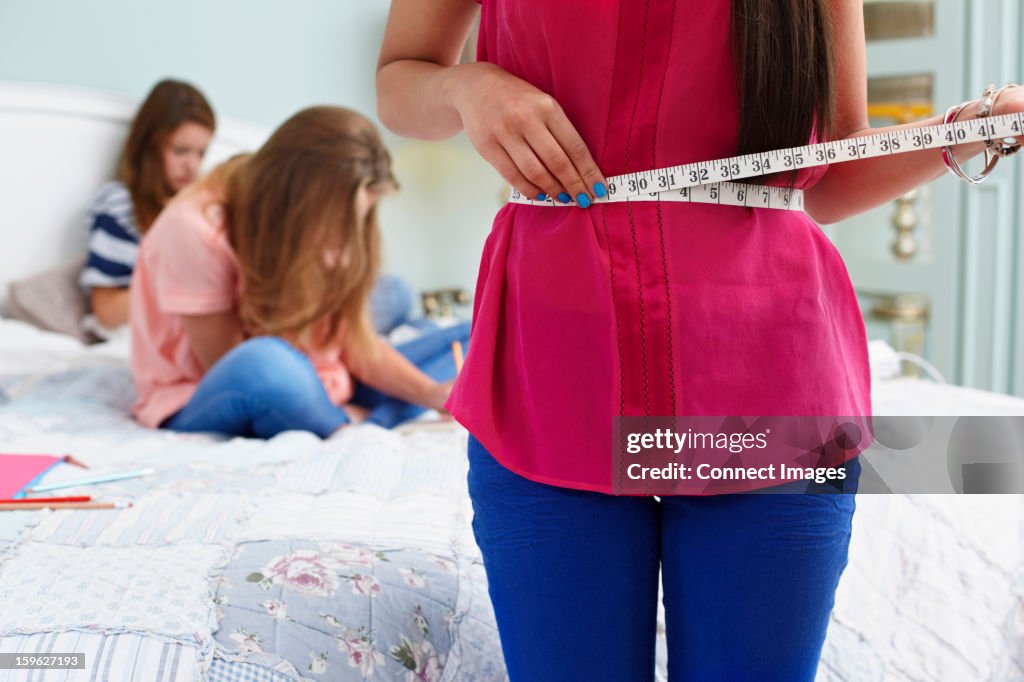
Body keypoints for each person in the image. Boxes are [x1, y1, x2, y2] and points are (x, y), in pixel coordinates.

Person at [376, 1, 1024, 680]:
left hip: (771, 388)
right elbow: (399, 78)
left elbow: (828, 179)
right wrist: (465, 86)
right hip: (553, 377)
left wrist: (978, 127)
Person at [129, 105, 468, 438]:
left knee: (481, 333)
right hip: (205, 390)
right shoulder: (192, 228)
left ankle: (355, 415)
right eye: (337, 220)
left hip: (320, 375)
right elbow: (226, 364)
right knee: (268, 366)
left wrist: (431, 393)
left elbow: (352, 339)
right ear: (301, 202)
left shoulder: (319, 222)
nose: (343, 236)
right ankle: (354, 422)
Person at [80, 79, 216, 331]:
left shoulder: (201, 207)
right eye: (180, 151)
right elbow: (106, 312)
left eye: (201, 153)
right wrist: (181, 289)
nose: (192, 166)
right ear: (150, 147)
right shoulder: (119, 205)